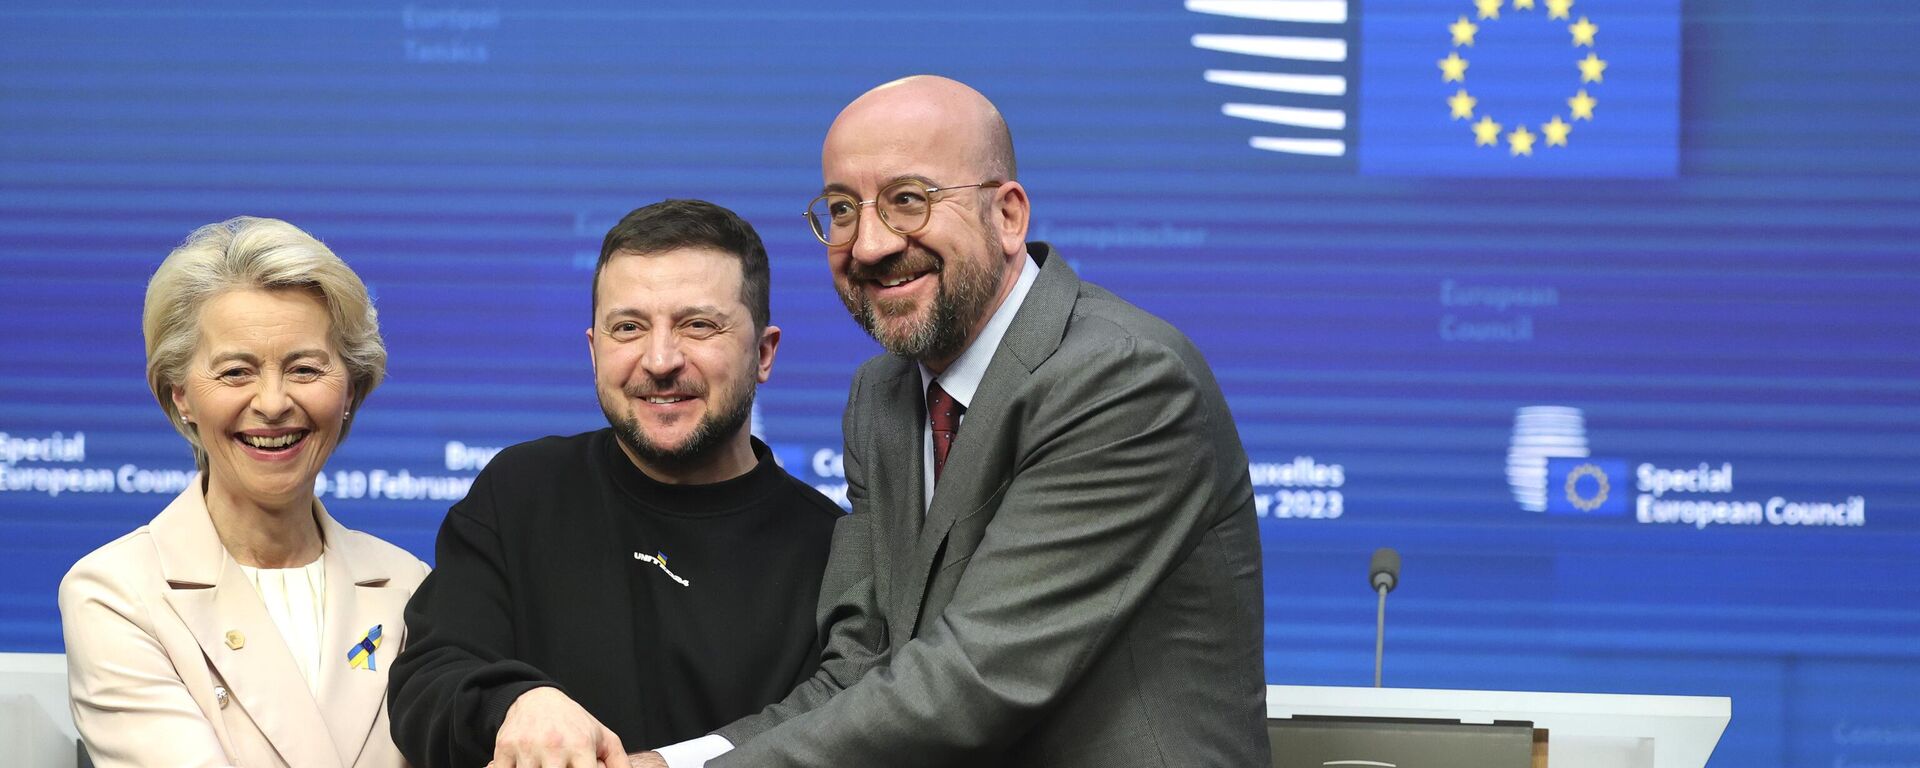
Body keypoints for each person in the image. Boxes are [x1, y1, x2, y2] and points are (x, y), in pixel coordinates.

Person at [641, 75, 1270, 768]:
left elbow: (974, 677)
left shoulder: (1124, 380)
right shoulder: (880, 396)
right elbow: (858, 668)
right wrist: (670, 763)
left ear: (1007, 215)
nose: (871, 244)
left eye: (908, 201)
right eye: (843, 210)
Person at [387, 199, 843, 768]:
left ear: (764, 352)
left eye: (697, 325)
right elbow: (426, 682)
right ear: (593, 350)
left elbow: (828, 736)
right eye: (628, 328)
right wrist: (515, 704)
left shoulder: (830, 551)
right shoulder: (521, 491)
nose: (659, 359)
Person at [59, 216, 428, 768]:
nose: (273, 402)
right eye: (236, 372)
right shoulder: (116, 594)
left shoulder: (410, 587)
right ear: (181, 395)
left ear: (350, 389)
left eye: (305, 368)